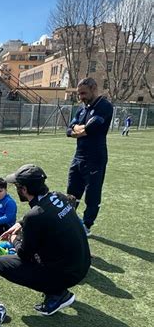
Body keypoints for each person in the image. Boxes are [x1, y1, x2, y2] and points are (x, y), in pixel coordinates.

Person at [0, 164, 91, 316]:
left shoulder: (34, 217)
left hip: (69, 273)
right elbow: (44, 213)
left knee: (3, 263)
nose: (16, 190)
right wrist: (20, 223)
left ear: (24, 190)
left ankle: (56, 293)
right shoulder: (58, 196)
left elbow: (24, 255)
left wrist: (14, 239)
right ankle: (57, 288)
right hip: (83, 263)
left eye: (17, 187)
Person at [66, 77, 113, 236]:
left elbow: (91, 128)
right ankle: (68, 221)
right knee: (72, 193)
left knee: (92, 196)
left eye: (83, 93)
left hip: (95, 159)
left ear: (94, 89)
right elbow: (68, 131)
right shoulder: (81, 109)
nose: (81, 97)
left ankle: (86, 225)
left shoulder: (104, 106)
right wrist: (79, 130)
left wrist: (78, 130)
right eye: (79, 94)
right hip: (78, 157)